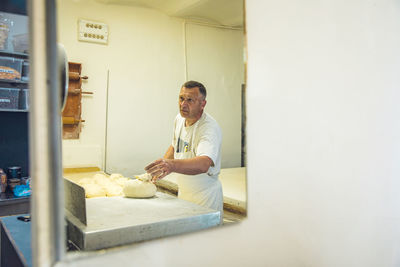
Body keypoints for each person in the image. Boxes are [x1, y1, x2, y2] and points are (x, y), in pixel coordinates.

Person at [145, 80, 223, 220]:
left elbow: (204, 163)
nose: (183, 104)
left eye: (190, 100)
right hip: (185, 194)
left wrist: (172, 165)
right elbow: (175, 146)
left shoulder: (208, 128)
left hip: (205, 198)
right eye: (181, 98)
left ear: (202, 104)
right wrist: (162, 167)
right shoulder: (179, 119)